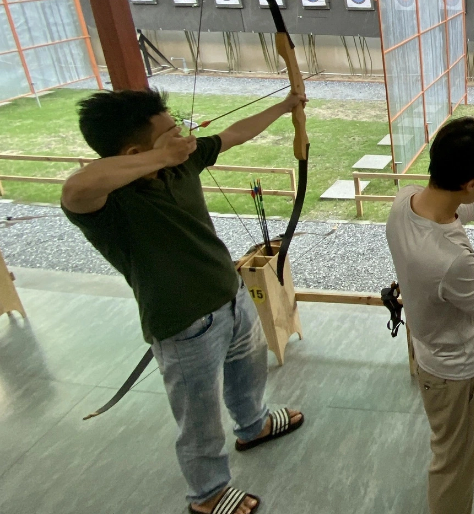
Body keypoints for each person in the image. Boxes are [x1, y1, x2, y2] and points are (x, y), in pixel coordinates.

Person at [61, 89, 306, 514]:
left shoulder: (183, 162)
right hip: (183, 325)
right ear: (135, 151)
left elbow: (235, 133)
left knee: (248, 373)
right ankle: (208, 493)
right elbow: (76, 186)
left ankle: (253, 425)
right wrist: (162, 157)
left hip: (231, 296)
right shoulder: (107, 204)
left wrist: (286, 106)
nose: (185, 135)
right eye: (171, 132)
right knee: (199, 418)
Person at [385, 117, 474, 514]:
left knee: (452, 433)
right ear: (470, 181)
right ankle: (463, 449)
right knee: (452, 467)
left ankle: (467, 438)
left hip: (431, 352)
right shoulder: (451, 259)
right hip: (457, 370)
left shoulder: (406, 199)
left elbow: (455, 206)